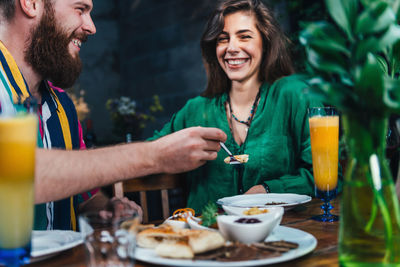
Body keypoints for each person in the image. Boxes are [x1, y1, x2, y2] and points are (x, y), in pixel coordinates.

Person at [0, 0, 227, 229]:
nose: (91, 27)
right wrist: (154, 155)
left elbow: (82, 195)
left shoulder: (63, 106)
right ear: (31, 4)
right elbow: (14, 173)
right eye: (80, 9)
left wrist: (104, 208)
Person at [149, 0, 322, 213]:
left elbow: (325, 176)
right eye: (223, 39)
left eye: (244, 36)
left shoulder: (296, 95)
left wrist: (268, 190)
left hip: (282, 235)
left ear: (266, 43)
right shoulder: (195, 110)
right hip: (207, 236)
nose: (231, 48)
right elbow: (147, 154)